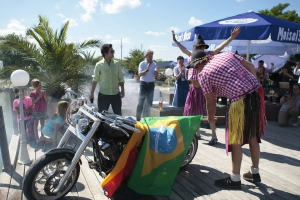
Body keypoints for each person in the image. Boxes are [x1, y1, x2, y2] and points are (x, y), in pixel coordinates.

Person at [188, 49, 265, 188]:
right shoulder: (227, 54)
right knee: (253, 136)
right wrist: (253, 85)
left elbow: (211, 104)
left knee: (235, 141)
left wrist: (211, 119)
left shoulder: (204, 75)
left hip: (238, 102)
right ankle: (255, 172)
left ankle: (235, 179)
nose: (195, 70)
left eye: (194, 67)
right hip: (255, 95)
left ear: (199, 64)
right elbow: (251, 67)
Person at [173, 27, 241, 143]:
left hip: (205, 89)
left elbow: (220, 47)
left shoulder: (208, 55)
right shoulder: (191, 56)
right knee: (193, 112)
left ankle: (214, 136)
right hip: (193, 89)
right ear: (197, 47)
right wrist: (175, 41)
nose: (202, 48)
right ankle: (198, 133)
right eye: (200, 46)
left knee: (209, 112)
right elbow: (183, 49)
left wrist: (231, 37)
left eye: (203, 46)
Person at [90, 44, 125, 115]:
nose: (113, 53)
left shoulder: (117, 64)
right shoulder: (99, 65)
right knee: (101, 117)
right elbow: (95, 79)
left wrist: (123, 90)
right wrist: (92, 93)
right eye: (111, 51)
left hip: (116, 95)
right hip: (103, 95)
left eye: (113, 51)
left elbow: (121, 78)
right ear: (105, 53)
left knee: (118, 116)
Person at [136, 50, 159, 121]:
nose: (150, 58)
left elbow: (155, 76)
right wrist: (147, 69)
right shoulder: (142, 64)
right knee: (141, 101)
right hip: (143, 84)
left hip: (151, 84)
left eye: (151, 56)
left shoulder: (154, 64)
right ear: (146, 56)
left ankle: (147, 118)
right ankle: (138, 118)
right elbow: (140, 74)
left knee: (149, 102)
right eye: (149, 56)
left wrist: (156, 72)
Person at [30, 79, 49, 143]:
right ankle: (37, 137)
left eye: (40, 85)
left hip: (43, 110)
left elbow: (47, 101)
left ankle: (42, 136)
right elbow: (33, 102)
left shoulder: (44, 92)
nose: (40, 87)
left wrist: (43, 95)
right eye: (38, 86)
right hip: (36, 110)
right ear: (34, 86)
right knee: (36, 124)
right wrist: (39, 96)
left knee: (42, 124)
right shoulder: (33, 93)